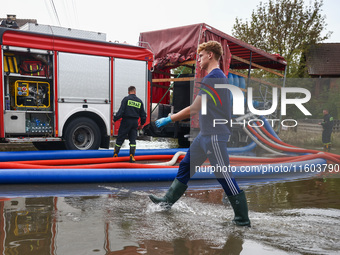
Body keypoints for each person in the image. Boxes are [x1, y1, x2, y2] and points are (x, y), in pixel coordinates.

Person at [148, 41, 250, 227]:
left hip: (214, 136)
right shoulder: (216, 77)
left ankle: (242, 220)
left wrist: (170, 119)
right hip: (205, 135)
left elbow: (194, 108)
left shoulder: (215, 77)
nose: (199, 60)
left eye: (201, 55)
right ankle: (167, 202)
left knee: (223, 175)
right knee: (186, 166)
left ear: (210, 55)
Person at [113, 86, 146, 162]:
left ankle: (115, 155)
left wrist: (114, 119)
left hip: (126, 121)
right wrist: (142, 124)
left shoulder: (126, 99)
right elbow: (143, 115)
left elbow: (121, 112)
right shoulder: (139, 101)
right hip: (135, 123)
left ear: (128, 92)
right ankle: (132, 157)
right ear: (135, 91)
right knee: (133, 140)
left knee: (120, 138)